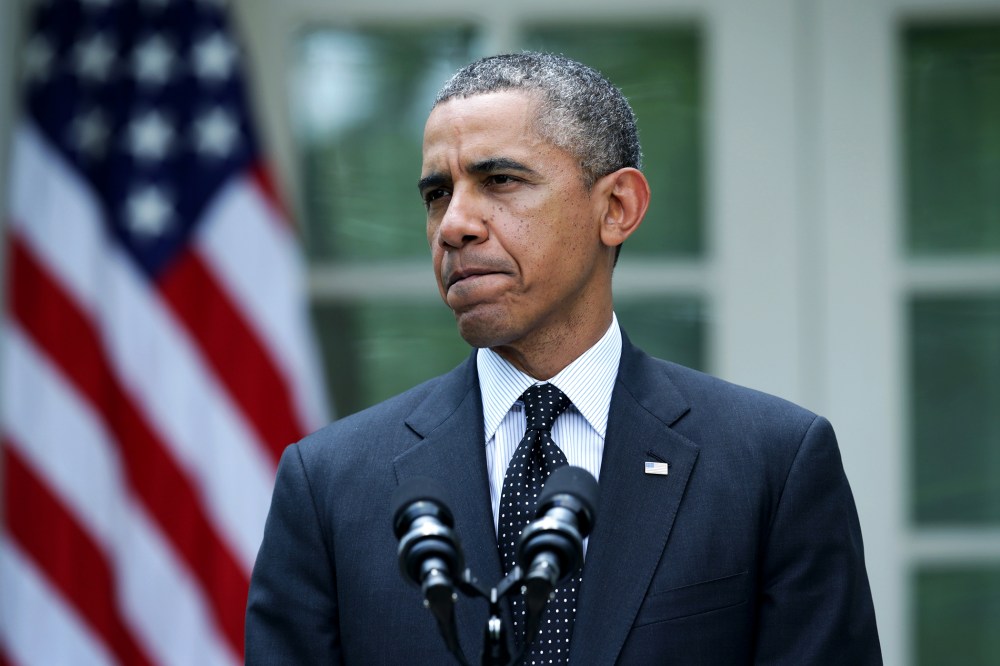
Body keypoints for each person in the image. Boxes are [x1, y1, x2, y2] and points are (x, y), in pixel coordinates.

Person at [245, 52, 881, 665]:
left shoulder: (771, 465)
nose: (454, 225)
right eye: (437, 194)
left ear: (616, 209)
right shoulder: (329, 484)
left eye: (499, 181)